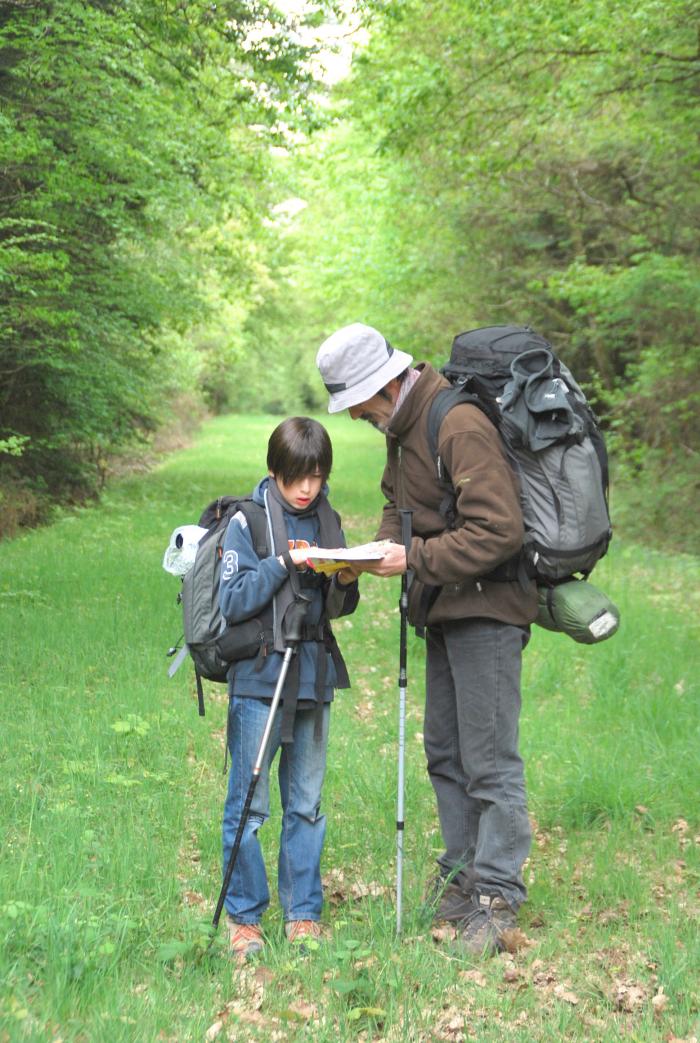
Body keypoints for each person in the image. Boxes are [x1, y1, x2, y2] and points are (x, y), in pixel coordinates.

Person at [315, 323, 538, 958]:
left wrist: (410, 557)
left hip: (489, 609)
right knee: (444, 750)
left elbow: (501, 531)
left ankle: (496, 899)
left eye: (358, 402)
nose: (356, 415)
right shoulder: (399, 427)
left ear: (386, 382)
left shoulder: (455, 423)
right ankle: (464, 880)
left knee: (489, 758)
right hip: (443, 606)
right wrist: (369, 552)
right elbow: (400, 505)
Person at [218, 416, 359, 959]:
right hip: (259, 678)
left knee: (306, 804)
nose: (307, 488)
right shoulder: (246, 523)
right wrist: (283, 562)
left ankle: (303, 914)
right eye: (298, 476)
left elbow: (338, 608)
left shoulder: (328, 518)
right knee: (249, 807)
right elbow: (232, 601)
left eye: (317, 476)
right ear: (275, 471)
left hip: (313, 675)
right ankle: (245, 919)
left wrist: (345, 579)